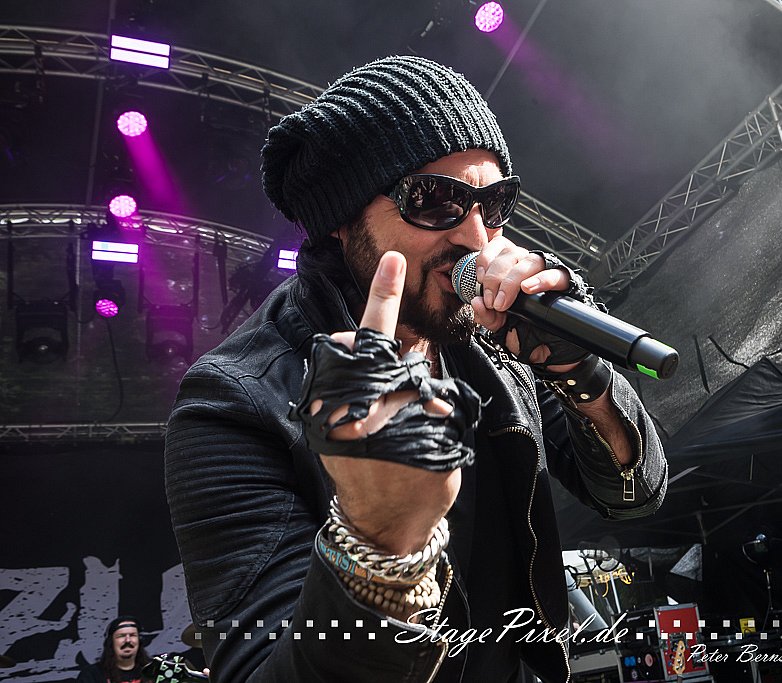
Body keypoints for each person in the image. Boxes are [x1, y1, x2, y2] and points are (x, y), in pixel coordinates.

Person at [164, 55, 668, 682]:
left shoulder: (489, 339)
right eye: (436, 202)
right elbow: (257, 671)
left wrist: (578, 371)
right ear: (342, 221)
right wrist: (378, 544)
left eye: (493, 203)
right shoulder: (233, 402)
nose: (477, 239)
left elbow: (632, 495)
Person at [76, 617, 149, 683]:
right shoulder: (92, 674)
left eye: (132, 635)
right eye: (121, 636)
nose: (128, 640)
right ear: (111, 642)